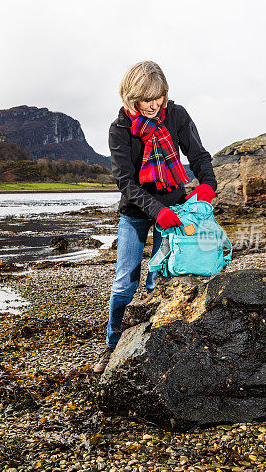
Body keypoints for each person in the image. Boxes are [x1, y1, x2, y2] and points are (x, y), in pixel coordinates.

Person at [93, 61, 218, 374]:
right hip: (136, 213)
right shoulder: (120, 129)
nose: (154, 104)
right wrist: (156, 211)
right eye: (147, 99)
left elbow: (199, 156)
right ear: (132, 96)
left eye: (159, 97)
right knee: (125, 282)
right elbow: (125, 180)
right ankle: (111, 345)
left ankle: (156, 343)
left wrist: (206, 186)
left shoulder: (176, 115)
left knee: (161, 277)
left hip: (174, 208)